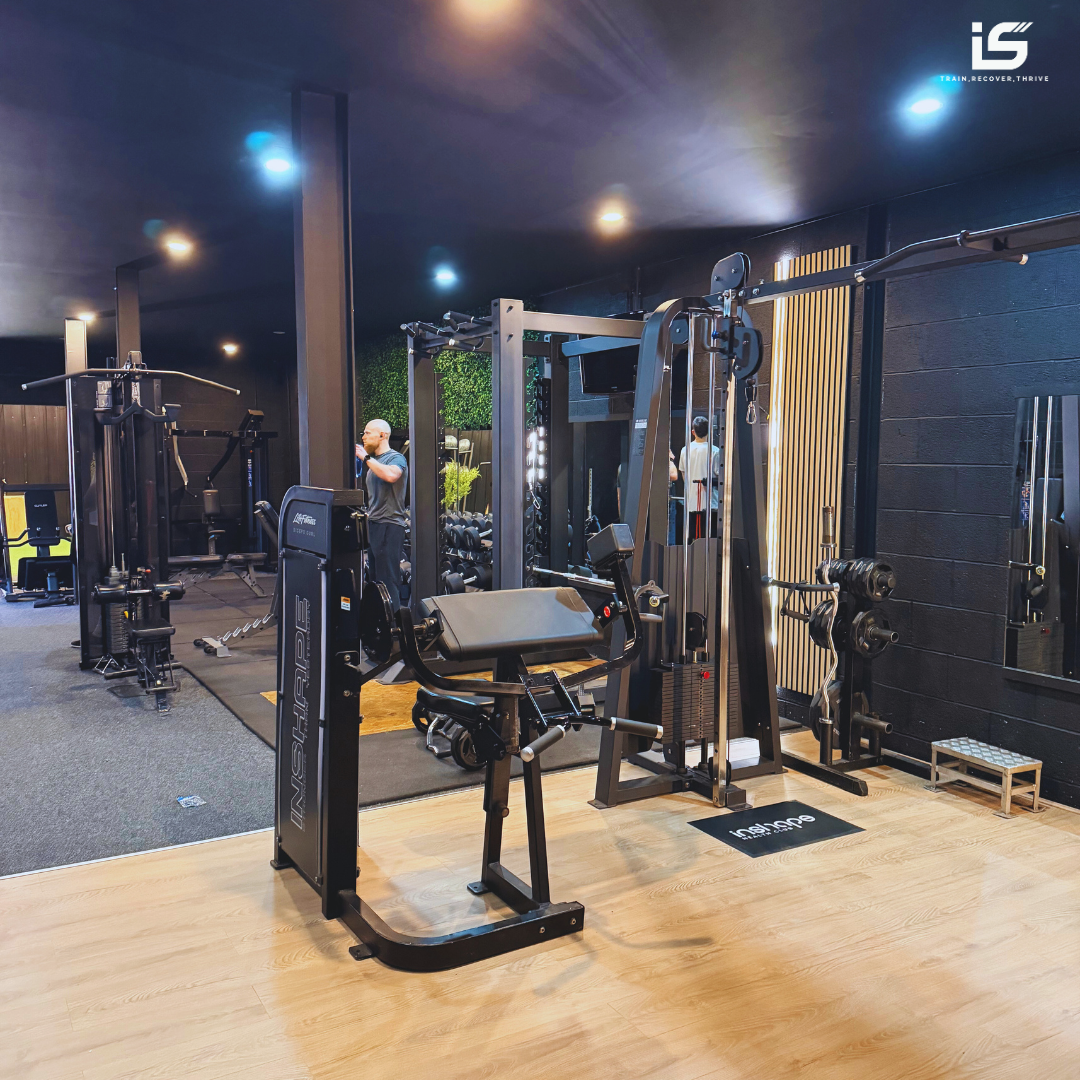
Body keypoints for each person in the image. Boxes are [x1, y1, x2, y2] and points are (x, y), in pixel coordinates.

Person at [355, 419, 408, 607]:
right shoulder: (374, 462)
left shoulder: (396, 458)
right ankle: (377, 621)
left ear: (382, 435)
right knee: (375, 582)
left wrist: (365, 458)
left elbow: (392, 475)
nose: (363, 437)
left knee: (388, 582)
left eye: (367, 433)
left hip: (390, 525)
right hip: (375, 525)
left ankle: (393, 622)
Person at [678, 415, 721, 540]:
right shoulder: (715, 451)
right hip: (711, 504)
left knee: (694, 540)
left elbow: (684, 475)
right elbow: (720, 477)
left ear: (693, 432)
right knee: (710, 539)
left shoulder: (685, 450)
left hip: (692, 504)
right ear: (709, 431)